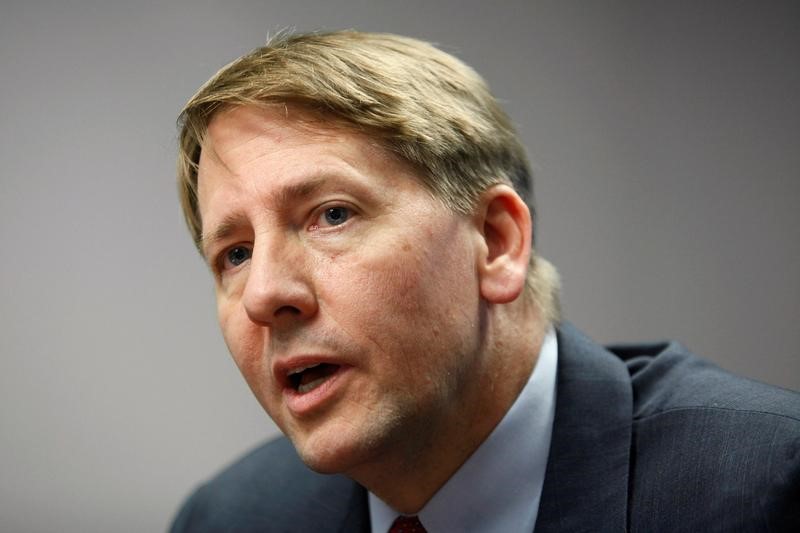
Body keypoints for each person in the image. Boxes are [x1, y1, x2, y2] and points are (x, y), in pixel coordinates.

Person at [170, 30, 799, 532]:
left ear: (497, 243)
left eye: (332, 215)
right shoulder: (228, 519)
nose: (264, 294)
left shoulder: (766, 485)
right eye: (235, 254)